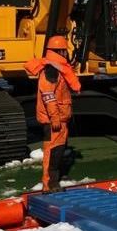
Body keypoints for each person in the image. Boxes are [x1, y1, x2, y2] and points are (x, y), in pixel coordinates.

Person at [23, 36, 81, 193]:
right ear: (59, 51)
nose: (66, 53)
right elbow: (48, 96)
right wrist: (55, 117)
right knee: (52, 152)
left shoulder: (57, 68)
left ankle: (53, 182)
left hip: (61, 119)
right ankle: (49, 184)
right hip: (54, 120)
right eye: (64, 50)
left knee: (58, 150)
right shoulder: (51, 70)